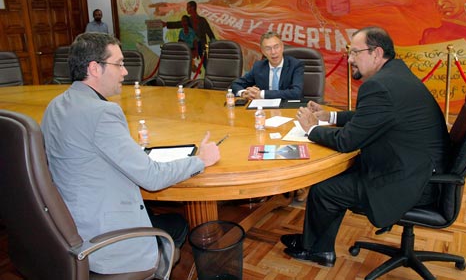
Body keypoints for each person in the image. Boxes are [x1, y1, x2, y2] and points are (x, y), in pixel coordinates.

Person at [41, 32, 220, 274]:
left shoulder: (55, 106)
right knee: (177, 224)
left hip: (68, 230)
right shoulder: (102, 113)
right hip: (105, 241)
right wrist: (201, 160)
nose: (125, 71)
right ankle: (155, 269)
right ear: (95, 68)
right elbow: (153, 179)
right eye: (119, 64)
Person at [280, 26, 450, 267]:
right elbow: (369, 117)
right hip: (418, 166)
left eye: (354, 53)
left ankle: (317, 251)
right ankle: (315, 244)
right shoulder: (394, 75)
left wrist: (310, 129)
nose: (349, 59)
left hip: (413, 181)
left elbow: (346, 142)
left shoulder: (380, 86)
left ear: (376, 53)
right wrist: (329, 117)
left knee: (325, 189)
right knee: (333, 179)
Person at [231, 31, 304, 100]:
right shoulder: (259, 66)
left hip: (287, 108)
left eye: (276, 47)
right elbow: (235, 84)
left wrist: (262, 94)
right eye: (268, 49)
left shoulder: (295, 65)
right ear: (263, 51)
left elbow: (296, 93)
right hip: (264, 109)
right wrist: (244, 93)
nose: (273, 52)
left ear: (282, 47)